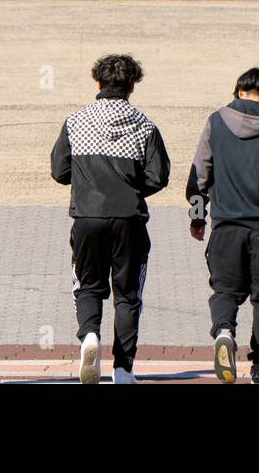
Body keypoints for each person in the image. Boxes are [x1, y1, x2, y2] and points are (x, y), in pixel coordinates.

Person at [51, 54, 170, 384]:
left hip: (87, 216)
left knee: (88, 286)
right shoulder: (145, 125)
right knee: (128, 295)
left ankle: (90, 337)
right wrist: (130, 189)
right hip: (129, 219)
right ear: (132, 86)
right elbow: (158, 176)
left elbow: (59, 170)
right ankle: (123, 368)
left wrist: (87, 183)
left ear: (98, 82)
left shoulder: (76, 121)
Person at [186, 67, 259, 384]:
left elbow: (199, 175)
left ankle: (224, 331)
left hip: (226, 227)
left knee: (225, 291)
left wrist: (198, 217)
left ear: (240, 91)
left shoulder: (215, 121)